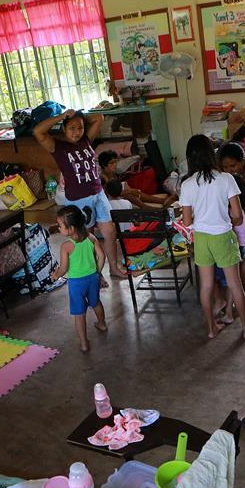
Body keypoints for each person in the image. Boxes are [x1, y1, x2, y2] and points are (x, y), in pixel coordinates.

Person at [180, 135, 245, 340]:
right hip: (222, 236)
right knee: (235, 284)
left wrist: (200, 214)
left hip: (202, 238)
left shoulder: (187, 185)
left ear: (190, 158)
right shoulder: (226, 179)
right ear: (211, 153)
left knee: (205, 286)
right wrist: (226, 217)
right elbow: (238, 217)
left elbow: (187, 222)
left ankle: (211, 329)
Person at [34, 109, 126, 278]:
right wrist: (62, 117)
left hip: (98, 193)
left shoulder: (86, 140)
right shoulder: (57, 147)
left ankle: (113, 267)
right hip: (79, 200)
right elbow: (38, 131)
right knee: (87, 239)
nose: (77, 132)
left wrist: (78, 117)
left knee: (110, 232)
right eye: (72, 128)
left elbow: (99, 118)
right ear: (64, 129)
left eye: (80, 128)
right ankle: (93, 274)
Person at [50, 205, 108, 352]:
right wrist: (98, 272)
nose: (58, 228)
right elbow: (102, 256)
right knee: (96, 303)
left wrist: (55, 275)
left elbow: (63, 269)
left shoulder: (66, 246)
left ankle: (84, 343)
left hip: (76, 283)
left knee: (79, 313)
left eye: (60, 225)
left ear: (71, 228)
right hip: (92, 279)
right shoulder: (91, 237)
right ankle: (102, 324)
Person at [98, 151, 177, 209]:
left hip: (118, 195)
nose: (115, 165)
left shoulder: (113, 174)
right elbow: (110, 193)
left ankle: (162, 200)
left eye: (115, 162)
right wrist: (130, 191)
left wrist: (131, 191)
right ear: (104, 165)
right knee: (128, 193)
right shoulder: (102, 178)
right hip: (110, 200)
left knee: (126, 186)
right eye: (111, 163)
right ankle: (145, 206)